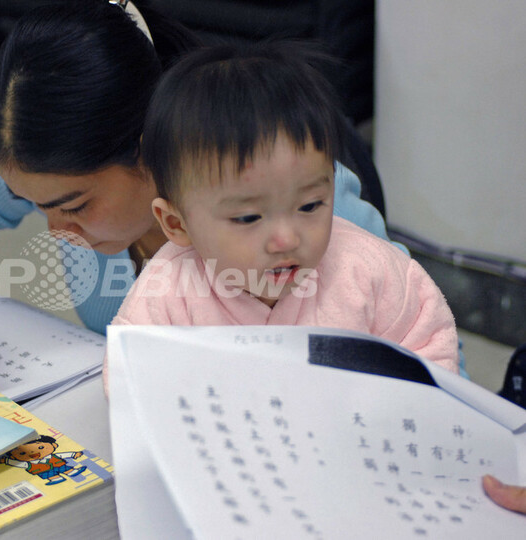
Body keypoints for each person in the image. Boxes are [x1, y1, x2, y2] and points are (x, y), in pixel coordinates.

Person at [0, 0, 399, 372]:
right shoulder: (36, 161)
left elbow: (425, 370)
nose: (56, 232)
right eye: (31, 205)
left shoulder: (293, 217)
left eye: (73, 206)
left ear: (147, 149)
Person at [107, 42, 459, 387]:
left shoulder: (370, 272)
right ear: (176, 223)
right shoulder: (168, 292)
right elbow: (129, 379)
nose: (287, 239)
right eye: (248, 218)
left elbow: (431, 355)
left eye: (309, 206)